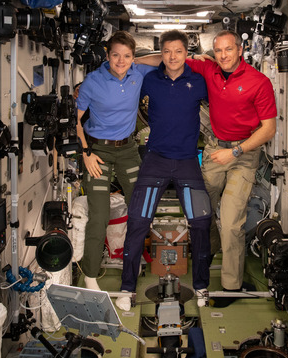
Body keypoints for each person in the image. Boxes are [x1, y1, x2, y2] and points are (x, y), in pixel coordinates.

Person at [139, 30, 276, 300]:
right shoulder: (208, 68)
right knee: (203, 212)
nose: (224, 55)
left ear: (240, 50)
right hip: (215, 148)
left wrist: (235, 151)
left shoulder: (259, 82)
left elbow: (269, 129)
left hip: (243, 153)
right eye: (219, 50)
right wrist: (131, 61)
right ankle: (209, 250)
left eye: (229, 49)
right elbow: (169, 60)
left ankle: (231, 286)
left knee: (230, 221)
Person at [115, 30, 212, 311]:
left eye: (178, 52)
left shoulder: (198, 81)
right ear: (161, 53)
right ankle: (127, 289)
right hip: (155, 160)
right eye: (167, 51)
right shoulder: (149, 80)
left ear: (186, 54)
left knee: (201, 222)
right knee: (137, 222)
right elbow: (127, 66)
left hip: (186, 163)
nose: (172, 57)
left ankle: (201, 286)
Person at [75, 31, 155, 290]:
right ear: (107, 55)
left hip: (128, 151)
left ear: (134, 57)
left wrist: (192, 56)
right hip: (98, 152)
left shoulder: (137, 73)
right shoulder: (92, 81)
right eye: (116, 55)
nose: (121, 61)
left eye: (127, 56)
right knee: (99, 215)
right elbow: (76, 120)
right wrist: (86, 153)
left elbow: (160, 60)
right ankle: (89, 273)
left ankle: (132, 261)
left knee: (140, 209)